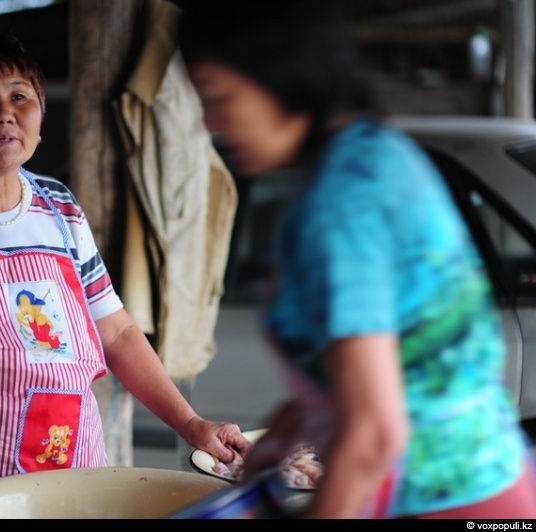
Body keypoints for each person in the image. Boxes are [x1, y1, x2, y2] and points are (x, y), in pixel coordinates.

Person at [179, 2, 536, 519]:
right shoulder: (377, 154)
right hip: (491, 484)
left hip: (442, 502)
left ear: (282, 76)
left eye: (220, 97)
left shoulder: (342, 203)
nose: (211, 122)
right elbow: (398, 358)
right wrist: (291, 427)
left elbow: (374, 433)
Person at [0, 34, 250, 519]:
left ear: (42, 115)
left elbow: (116, 330)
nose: (4, 112)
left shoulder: (60, 208)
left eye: (20, 96)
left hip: (74, 471)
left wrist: (192, 424)